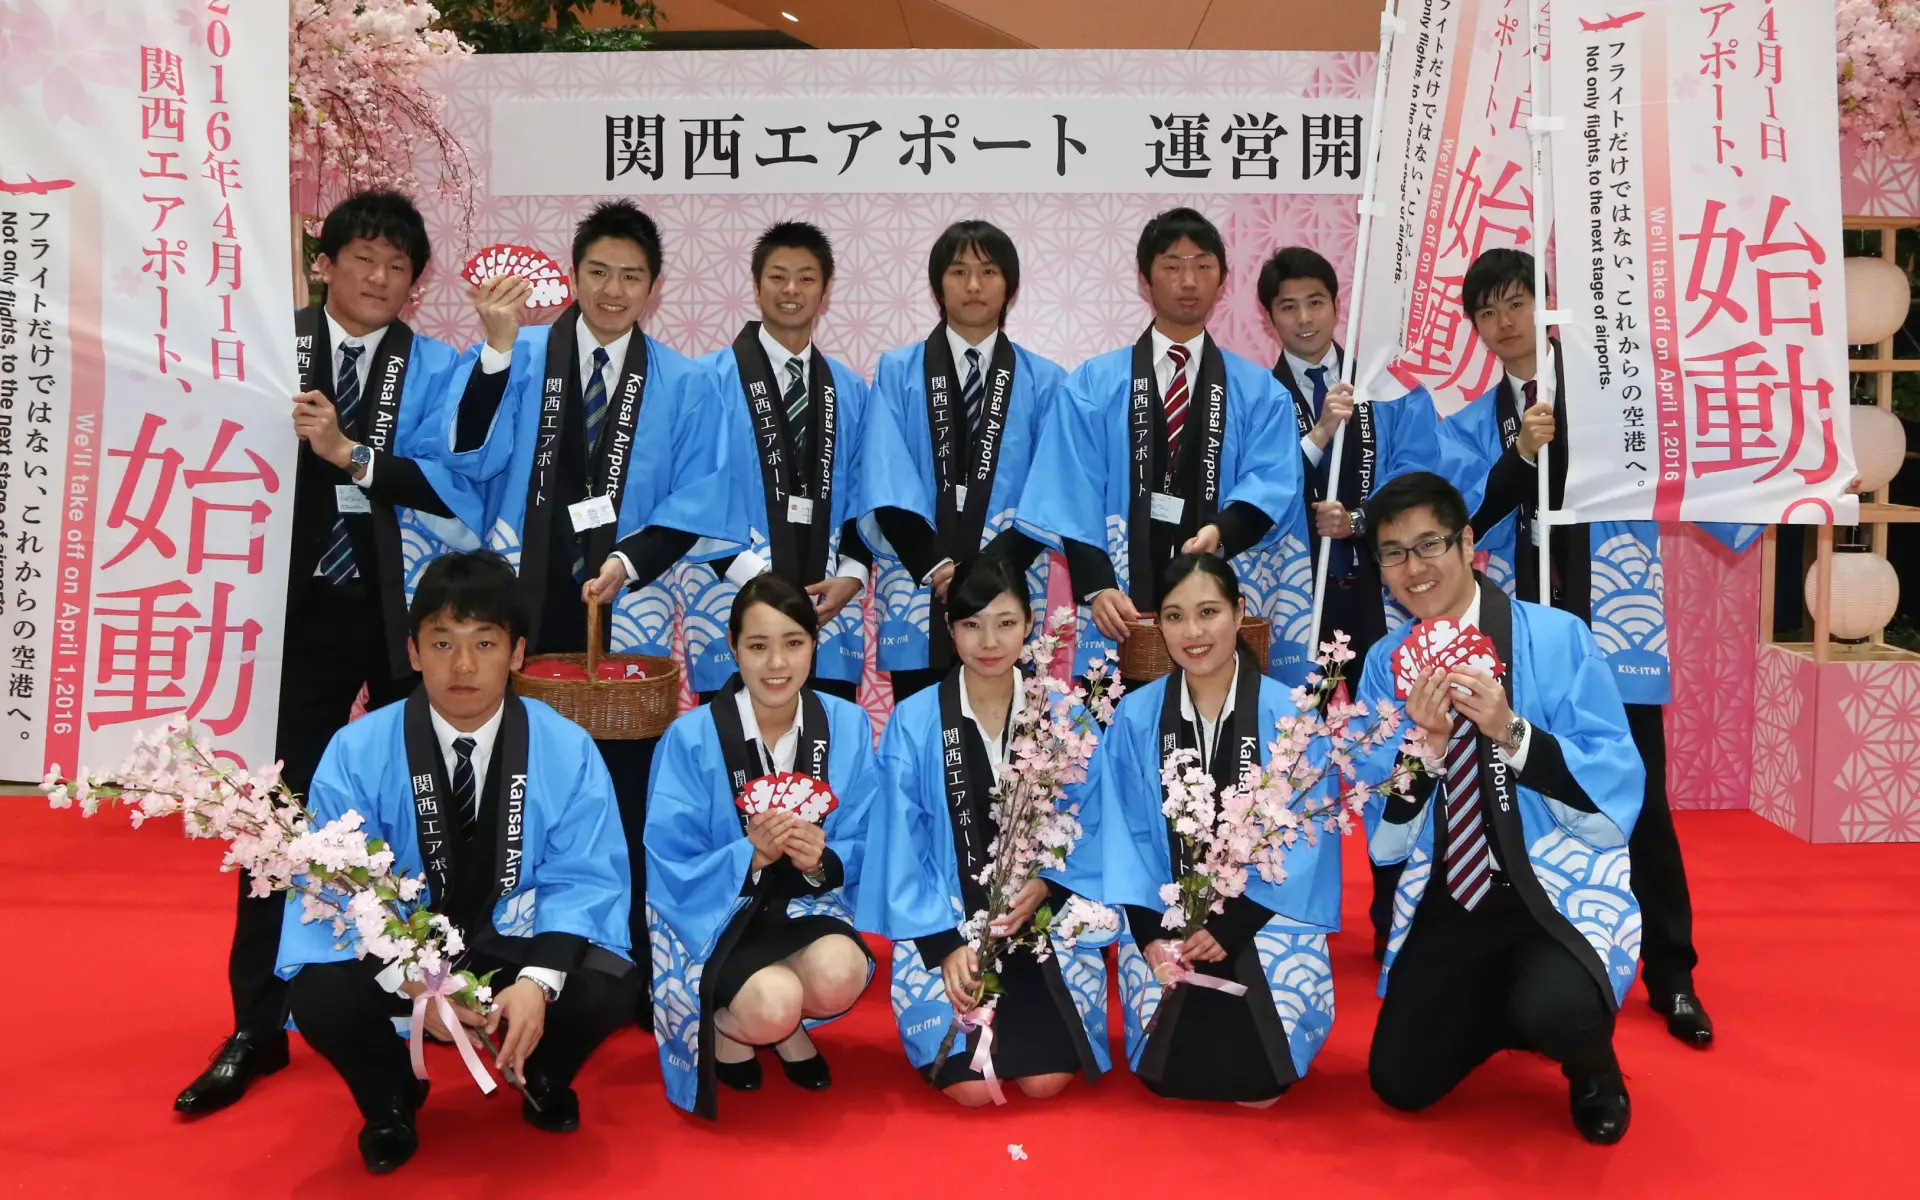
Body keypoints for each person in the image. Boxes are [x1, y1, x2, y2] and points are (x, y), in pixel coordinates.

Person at [176, 191, 487, 1118]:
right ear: (325, 263)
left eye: (399, 267)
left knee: (418, 810)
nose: (381, 279)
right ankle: (256, 1026)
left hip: (400, 619)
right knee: (277, 822)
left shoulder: (432, 366)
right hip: (290, 619)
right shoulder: (264, 345)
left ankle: (422, 1008)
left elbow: (454, 480)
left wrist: (353, 453)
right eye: (364, 259)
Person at [1434, 247, 1753, 1047]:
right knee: (1520, 805)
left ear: (1548, 306)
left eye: (1517, 304)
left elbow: (1694, 472)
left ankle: (1673, 974)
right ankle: (1536, 970)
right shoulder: (1474, 425)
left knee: (1638, 803)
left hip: (1617, 635)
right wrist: (1518, 458)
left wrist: (1786, 486)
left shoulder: (1619, 396)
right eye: (1487, 311)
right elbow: (1462, 521)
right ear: (1474, 326)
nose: (1504, 323)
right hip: (1517, 645)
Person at [452, 200, 745, 1022]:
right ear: (572, 276)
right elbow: (468, 448)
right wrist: (495, 347)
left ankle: (622, 976)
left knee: (625, 795)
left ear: (655, 287)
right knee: (514, 786)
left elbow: (700, 494)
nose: (613, 290)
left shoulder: (684, 382)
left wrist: (627, 558)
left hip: (627, 607)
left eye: (632, 276)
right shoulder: (526, 353)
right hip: (522, 594)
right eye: (598, 272)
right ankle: (495, 967)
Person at [276, 550, 638, 1174]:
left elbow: (585, 875)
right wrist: (413, 978)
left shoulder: (565, 746)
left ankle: (540, 1071)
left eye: (484, 643)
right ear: (414, 652)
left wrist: (537, 982)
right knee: (318, 987)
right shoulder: (358, 748)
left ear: (517, 653)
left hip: (512, 941)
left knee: (611, 981)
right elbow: (333, 881)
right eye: (442, 643)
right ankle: (390, 1096)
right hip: (405, 947)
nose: (463, 665)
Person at [1351, 472, 1643, 1144]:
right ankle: (1502, 1009)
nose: (1414, 568)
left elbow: (1615, 772)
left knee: (1563, 1012)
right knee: (1400, 1083)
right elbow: (1384, 825)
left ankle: (1593, 1064)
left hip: (1552, 887)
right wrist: (1423, 750)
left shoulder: (1558, 637)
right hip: (1452, 893)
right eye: (1393, 553)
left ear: (1469, 543)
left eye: (1430, 545)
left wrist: (1512, 732)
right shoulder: (1385, 663)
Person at [1068, 553, 1339, 1106]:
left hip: (1265, 919)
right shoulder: (1137, 716)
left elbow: (1308, 839)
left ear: (1240, 613)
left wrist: (1233, 925)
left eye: (1209, 611)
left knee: (1260, 1079)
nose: (1192, 632)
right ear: (1157, 624)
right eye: (1173, 616)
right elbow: (1120, 835)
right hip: (1166, 920)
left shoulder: (1290, 715)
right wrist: (1149, 935)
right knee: (1168, 1072)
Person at [1016, 208, 1310, 686]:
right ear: (1144, 280)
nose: (1187, 279)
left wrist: (1222, 532)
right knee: (1113, 742)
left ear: (1222, 280)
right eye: (1172, 266)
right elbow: (1069, 488)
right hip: (1118, 612)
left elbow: (1273, 484)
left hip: (1217, 609)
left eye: (1202, 265)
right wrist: (1097, 586)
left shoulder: (1261, 392)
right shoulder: (1093, 383)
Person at [859, 556, 1114, 1105]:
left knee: (1046, 1083)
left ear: (1029, 625)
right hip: (950, 923)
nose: (989, 640)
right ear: (950, 632)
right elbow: (899, 843)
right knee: (971, 1092)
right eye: (971, 624)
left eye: (1005, 622)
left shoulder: (1064, 714)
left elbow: (1094, 822)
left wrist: (1047, 885)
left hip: (1045, 923)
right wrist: (944, 945)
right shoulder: (916, 719)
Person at [1257, 245, 1442, 961]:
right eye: (1287, 306)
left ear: (1338, 306)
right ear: (1268, 316)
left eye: (1316, 302)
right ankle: (1287, 913)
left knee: (1401, 751)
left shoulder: (1385, 385)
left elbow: (1422, 479)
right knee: (1292, 758)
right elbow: (1255, 495)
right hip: (1294, 606)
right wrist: (1320, 435)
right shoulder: (1253, 394)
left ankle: (1399, 913)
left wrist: (1361, 519)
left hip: (1380, 601)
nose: (1304, 319)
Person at [645, 574, 877, 1118]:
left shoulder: (848, 724)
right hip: (718, 917)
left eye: (793, 643)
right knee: (773, 1003)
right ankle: (734, 1028)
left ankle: (782, 1021)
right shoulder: (690, 735)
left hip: (805, 904)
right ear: (732, 648)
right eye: (757, 646)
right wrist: (745, 856)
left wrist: (824, 857)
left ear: (815, 645)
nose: (777, 663)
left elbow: (873, 835)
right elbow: (667, 859)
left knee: (842, 972)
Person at [857, 221, 1065, 702]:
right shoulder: (897, 371)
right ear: (937, 285)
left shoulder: (1047, 381)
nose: (974, 285)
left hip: (1009, 587)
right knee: (923, 733)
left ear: (1009, 286)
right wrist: (937, 568)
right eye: (959, 271)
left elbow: (1053, 489)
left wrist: (987, 574)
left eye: (989, 271)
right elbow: (884, 478)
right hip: (918, 584)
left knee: (1014, 747)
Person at [669, 221, 875, 702]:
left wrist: (853, 574)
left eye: (806, 278)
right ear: (757, 285)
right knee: (733, 756)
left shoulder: (850, 389)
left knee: (824, 754)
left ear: (825, 291)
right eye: (778, 276)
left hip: (827, 604)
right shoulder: (704, 380)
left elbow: (868, 491)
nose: (791, 290)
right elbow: (688, 491)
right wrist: (753, 576)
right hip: (731, 594)